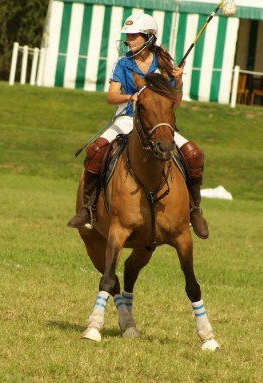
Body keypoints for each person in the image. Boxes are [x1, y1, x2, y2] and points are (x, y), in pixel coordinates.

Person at [67, 13, 209, 239]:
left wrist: (179, 81)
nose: (128, 40)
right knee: (95, 152)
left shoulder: (164, 65)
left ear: (148, 38)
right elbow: (111, 97)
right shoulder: (123, 63)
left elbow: (176, 103)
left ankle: (194, 210)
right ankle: (88, 207)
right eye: (127, 35)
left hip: (156, 123)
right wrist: (130, 98)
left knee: (194, 155)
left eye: (133, 36)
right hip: (126, 119)